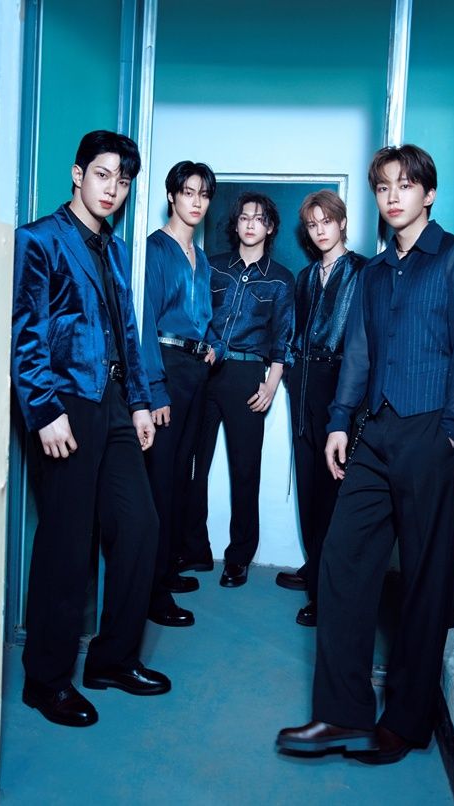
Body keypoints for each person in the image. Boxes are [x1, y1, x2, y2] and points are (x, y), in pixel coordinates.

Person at [277, 144, 454, 763]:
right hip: (374, 433)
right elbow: (361, 354)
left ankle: (405, 720)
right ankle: (340, 714)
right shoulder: (372, 273)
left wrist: (453, 434)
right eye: (383, 187)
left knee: (424, 579)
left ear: (429, 193)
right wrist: (339, 422)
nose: (393, 196)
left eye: (405, 184)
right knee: (341, 562)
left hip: (432, 432)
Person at [11, 130, 171, 728]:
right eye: (103, 175)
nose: (113, 189)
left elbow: (126, 332)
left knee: (140, 527)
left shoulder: (116, 249)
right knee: (67, 543)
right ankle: (45, 680)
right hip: (66, 405)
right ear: (78, 175)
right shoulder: (39, 239)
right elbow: (25, 331)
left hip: (115, 404)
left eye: (123, 181)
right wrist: (44, 409)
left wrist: (139, 402)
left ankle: (112, 660)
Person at [179, 192, 295, 588]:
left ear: (270, 227)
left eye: (258, 218)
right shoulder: (211, 266)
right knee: (192, 464)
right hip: (205, 371)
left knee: (246, 470)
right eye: (244, 217)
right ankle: (194, 549)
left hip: (247, 377)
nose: (249, 224)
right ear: (236, 224)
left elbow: (283, 338)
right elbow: (196, 316)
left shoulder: (280, 279)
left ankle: (239, 557)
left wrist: (271, 385)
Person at [275, 191, 365, 626]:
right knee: (309, 487)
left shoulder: (363, 271)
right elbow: (293, 332)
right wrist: (290, 377)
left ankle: (327, 590)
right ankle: (316, 568)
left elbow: (366, 343)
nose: (320, 230)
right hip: (304, 386)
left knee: (333, 492)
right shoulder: (306, 276)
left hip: (341, 386)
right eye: (312, 225)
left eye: (327, 221)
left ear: (342, 222)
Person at [142, 160, 217, 627]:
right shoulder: (154, 249)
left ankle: (167, 569)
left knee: (180, 479)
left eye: (204, 195)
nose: (196, 202)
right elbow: (144, 322)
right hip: (165, 370)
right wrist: (154, 390)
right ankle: (151, 591)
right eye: (188, 192)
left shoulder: (201, 258)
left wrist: (212, 344)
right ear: (172, 195)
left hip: (195, 371)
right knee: (159, 483)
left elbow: (204, 314)